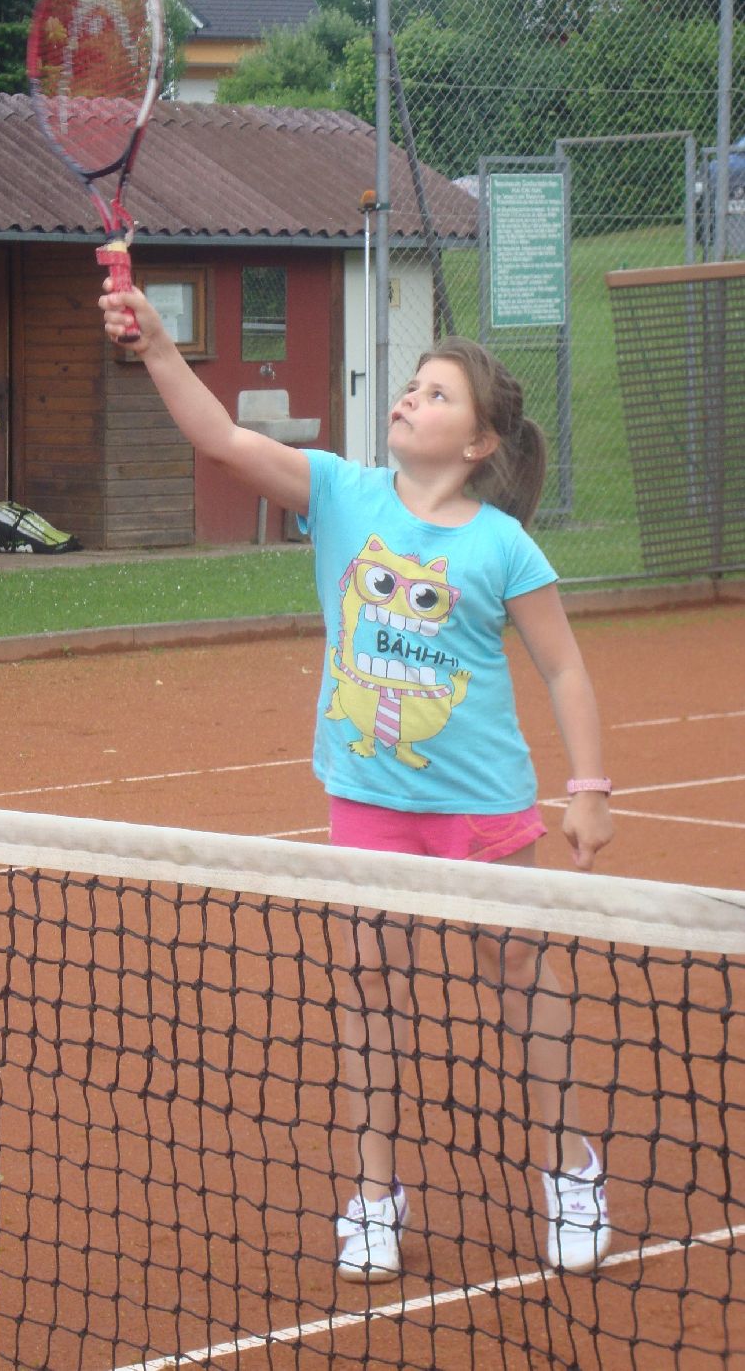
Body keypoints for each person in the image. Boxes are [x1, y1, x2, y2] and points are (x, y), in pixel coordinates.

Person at [98, 280, 615, 1284]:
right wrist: (158, 345)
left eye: (438, 393)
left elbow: (563, 667)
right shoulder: (341, 492)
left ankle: (569, 1168)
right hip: (368, 800)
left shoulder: (501, 543)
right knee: (372, 985)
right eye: (413, 384)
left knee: (516, 972)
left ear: (479, 443)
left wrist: (588, 785)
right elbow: (221, 440)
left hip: (481, 806)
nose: (411, 397)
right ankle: (375, 1193)